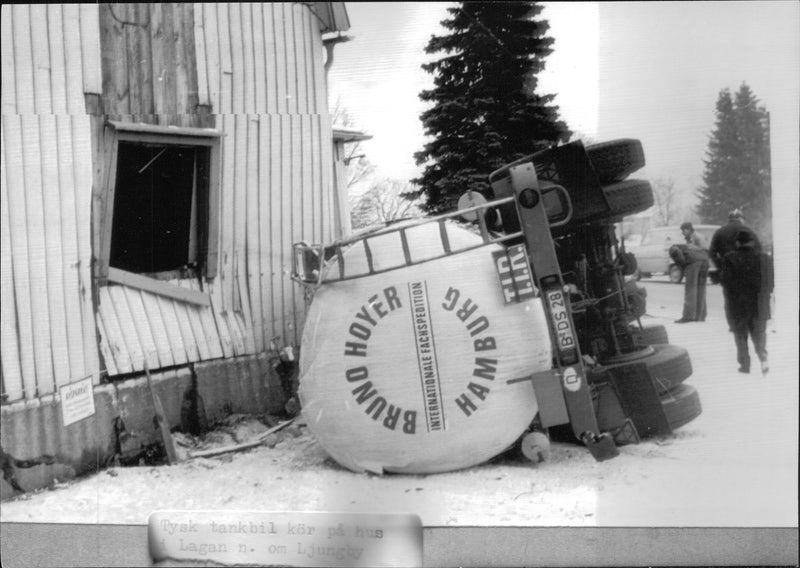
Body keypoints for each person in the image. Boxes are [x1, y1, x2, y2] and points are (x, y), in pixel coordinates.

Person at [720, 230, 773, 374]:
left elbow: (725, 282)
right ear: (753, 242)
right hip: (760, 304)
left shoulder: (730, 258)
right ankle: (763, 359)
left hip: (738, 305)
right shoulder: (765, 258)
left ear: (738, 243)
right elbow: (771, 282)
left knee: (740, 335)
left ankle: (745, 365)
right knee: (759, 334)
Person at [709, 209, 761, 325]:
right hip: (747, 272)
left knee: (730, 298)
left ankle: (733, 324)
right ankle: (747, 323)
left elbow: (712, 252)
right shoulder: (748, 230)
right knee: (747, 298)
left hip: (727, 271)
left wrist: (721, 266)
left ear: (729, 219)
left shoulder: (719, 232)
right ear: (742, 219)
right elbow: (759, 251)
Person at [673, 222, 710, 323]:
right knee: (701, 289)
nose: (683, 233)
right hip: (704, 263)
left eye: (683, 231)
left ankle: (688, 316)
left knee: (691, 289)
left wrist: (687, 247)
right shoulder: (696, 236)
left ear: (688, 229)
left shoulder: (696, 237)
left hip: (695, 263)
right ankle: (700, 316)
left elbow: (702, 248)